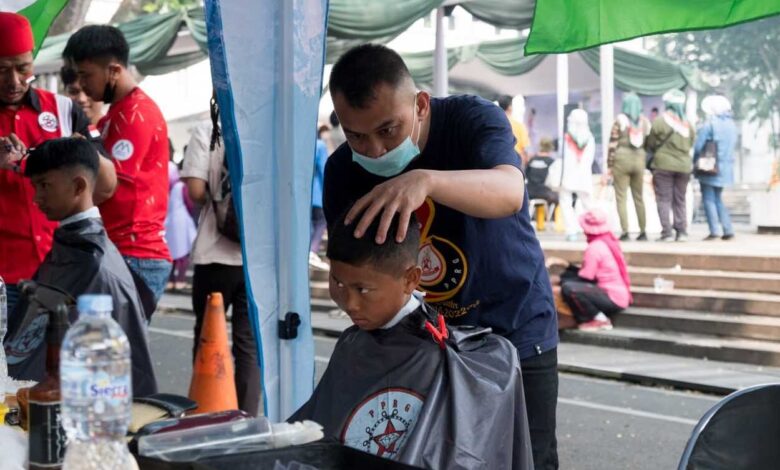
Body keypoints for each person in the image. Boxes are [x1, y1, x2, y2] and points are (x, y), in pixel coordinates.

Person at [322, 44, 558, 469]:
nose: (374, 150)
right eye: (357, 135)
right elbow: (356, 267)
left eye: (388, 130)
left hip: (515, 328)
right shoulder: (344, 170)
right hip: (421, 342)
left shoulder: (471, 120)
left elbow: (509, 192)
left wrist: (426, 181)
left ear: (421, 104)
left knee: (527, 458)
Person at [291, 211, 533, 469]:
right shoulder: (352, 343)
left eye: (363, 290)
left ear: (411, 279)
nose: (349, 304)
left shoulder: (447, 359)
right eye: (337, 283)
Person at [4, 137, 157, 396]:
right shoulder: (74, 245)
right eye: (35, 187)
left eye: (44, 186)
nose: (36, 198)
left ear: (78, 186)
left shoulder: (95, 265)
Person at [0, 12, 116, 313]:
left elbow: (105, 187)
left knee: (60, 358)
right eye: (1, 70)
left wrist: (78, 152)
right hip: (3, 278)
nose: (14, 81)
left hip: (63, 269)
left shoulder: (64, 110)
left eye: (23, 68)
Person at [63, 25, 172, 303]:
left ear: (113, 70)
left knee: (111, 344)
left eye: (87, 75)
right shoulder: (117, 114)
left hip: (134, 254)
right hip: (120, 251)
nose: (83, 86)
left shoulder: (136, 115)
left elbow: (108, 186)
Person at [181, 97, 261, 416]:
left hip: (214, 254)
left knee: (207, 335)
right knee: (248, 345)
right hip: (254, 258)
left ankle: (206, 409)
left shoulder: (207, 130)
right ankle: (244, 417)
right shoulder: (262, 133)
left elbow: (195, 191)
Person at [558, 209, 632, 331]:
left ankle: (598, 319)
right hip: (620, 295)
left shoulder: (594, 247)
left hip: (611, 297)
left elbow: (587, 276)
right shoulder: (610, 242)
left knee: (568, 288)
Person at [647, 89, 696, 242]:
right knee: (680, 199)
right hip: (684, 166)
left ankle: (666, 232)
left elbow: (651, 143)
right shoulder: (688, 125)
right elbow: (691, 142)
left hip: (663, 165)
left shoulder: (660, 121)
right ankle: (681, 231)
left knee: (664, 199)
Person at [608, 92, 651, 241]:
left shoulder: (619, 121)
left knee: (621, 197)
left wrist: (609, 165)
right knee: (639, 197)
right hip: (639, 160)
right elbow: (647, 143)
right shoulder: (645, 122)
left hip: (621, 160)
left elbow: (612, 144)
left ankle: (625, 231)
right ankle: (643, 231)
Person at [695, 95, 737, 241]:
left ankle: (714, 230)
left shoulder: (710, 124)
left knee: (708, 198)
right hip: (726, 168)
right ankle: (728, 229)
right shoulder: (732, 125)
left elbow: (698, 146)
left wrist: (694, 161)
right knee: (718, 198)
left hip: (709, 166)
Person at [559, 108, 595, 241]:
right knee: (588, 204)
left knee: (565, 201)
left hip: (568, 175)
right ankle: (593, 229)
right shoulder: (589, 137)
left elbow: (562, 158)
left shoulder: (567, 138)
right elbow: (590, 159)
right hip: (584, 175)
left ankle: (571, 231)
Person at [165, 157, 197, 291]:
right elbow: (190, 204)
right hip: (182, 223)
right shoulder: (184, 187)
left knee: (173, 253)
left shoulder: (174, 186)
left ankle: (171, 280)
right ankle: (180, 280)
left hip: (171, 221)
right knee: (183, 254)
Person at [309, 129, 329, 270]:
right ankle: (313, 250)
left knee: (309, 223)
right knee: (321, 222)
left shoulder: (303, 146)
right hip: (318, 193)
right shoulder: (320, 146)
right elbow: (324, 169)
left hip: (305, 195)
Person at [497, 94, 531, 165]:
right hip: (515, 161)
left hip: (498, 161)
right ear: (510, 107)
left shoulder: (494, 123)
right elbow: (526, 147)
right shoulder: (518, 125)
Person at [525, 137, 559, 205]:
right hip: (544, 193)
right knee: (561, 198)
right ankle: (554, 216)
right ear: (551, 148)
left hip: (528, 191)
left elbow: (526, 175)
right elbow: (553, 181)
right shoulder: (552, 162)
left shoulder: (532, 160)